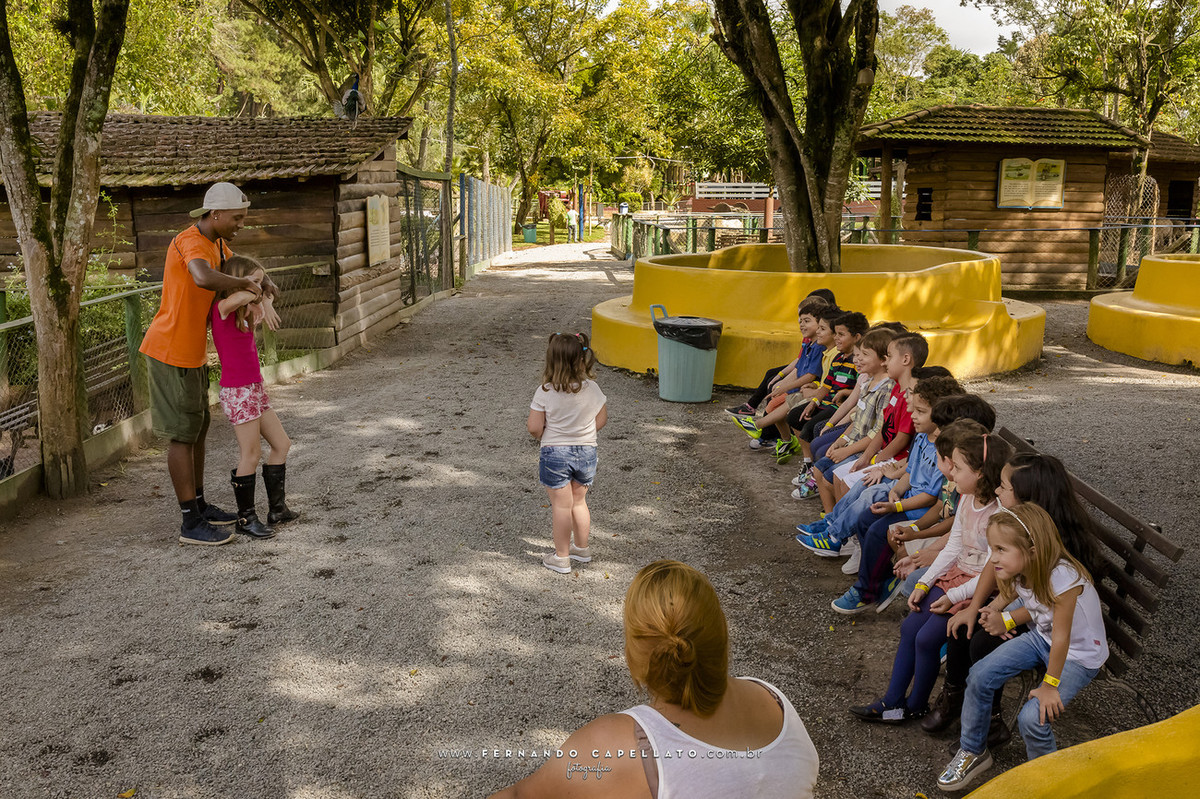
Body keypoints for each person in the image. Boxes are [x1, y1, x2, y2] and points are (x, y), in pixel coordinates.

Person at [488, 560, 820, 798]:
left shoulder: (615, 746)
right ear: (722, 634)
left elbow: (519, 796)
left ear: (634, 655)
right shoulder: (774, 701)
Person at [929, 451, 1105, 744]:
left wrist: (1005, 616)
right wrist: (979, 607)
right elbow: (996, 568)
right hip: (1035, 610)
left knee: (984, 641)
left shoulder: (1054, 546)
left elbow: (1047, 603)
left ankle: (992, 721)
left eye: (1004, 487)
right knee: (965, 626)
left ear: (1028, 496)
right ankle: (957, 697)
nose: (997, 490)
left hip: (1055, 622)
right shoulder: (1016, 525)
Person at [139, 182, 279, 546]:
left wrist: (265, 286)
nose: (241, 224)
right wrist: (249, 287)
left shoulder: (217, 243)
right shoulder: (191, 240)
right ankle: (190, 521)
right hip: (169, 349)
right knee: (182, 434)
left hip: (192, 352)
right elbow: (203, 277)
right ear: (215, 214)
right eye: (237, 218)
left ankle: (199, 505)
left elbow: (241, 267)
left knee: (198, 428)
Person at [937, 503, 1108, 792]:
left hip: (1077, 656)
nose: (994, 558)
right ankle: (974, 750)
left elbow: (1063, 636)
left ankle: (1049, 782)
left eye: (1001, 550)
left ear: (1032, 550)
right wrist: (1002, 617)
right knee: (980, 674)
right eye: (993, 548)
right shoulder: (1025, 569)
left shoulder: (1063, 580)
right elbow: (1037, 607)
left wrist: (1050, 685)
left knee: (1033, 718)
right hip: (1043, 638)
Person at [848, 422, 1012, 722]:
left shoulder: (999, 515)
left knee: (926, 639)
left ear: (980, 474)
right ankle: (892, 701)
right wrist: (925, 582)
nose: (950, 473)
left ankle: (915, 705)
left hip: (980, 588)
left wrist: (951, 595)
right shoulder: (966, 498)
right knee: (910, 628)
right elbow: (953, 548)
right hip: (956, 575)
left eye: (958, 468)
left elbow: (992, 571)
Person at [211, 255, 299, 539]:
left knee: (281, 444)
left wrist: (264, 299)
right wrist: (259, 296)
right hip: (238, 391)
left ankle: (277, 509)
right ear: (238, 280)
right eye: (253, 281)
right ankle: (246, 519)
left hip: (254, 388)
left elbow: (269, 288)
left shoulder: (247, 310)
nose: (259, 288)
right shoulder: (222, 309)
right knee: (250, 453)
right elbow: (241, 296)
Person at [527, 332, 608, 573]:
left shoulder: (545, 391)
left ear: (551, 361)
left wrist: (544, 434)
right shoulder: (592, 388)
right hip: (586, 451)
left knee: (561, 506)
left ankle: (561, 557)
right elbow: (601, 419)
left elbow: (533, 427)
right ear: (582, 361)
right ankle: (581, 548)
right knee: (579, 502)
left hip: (555, 454)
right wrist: (580, 432)